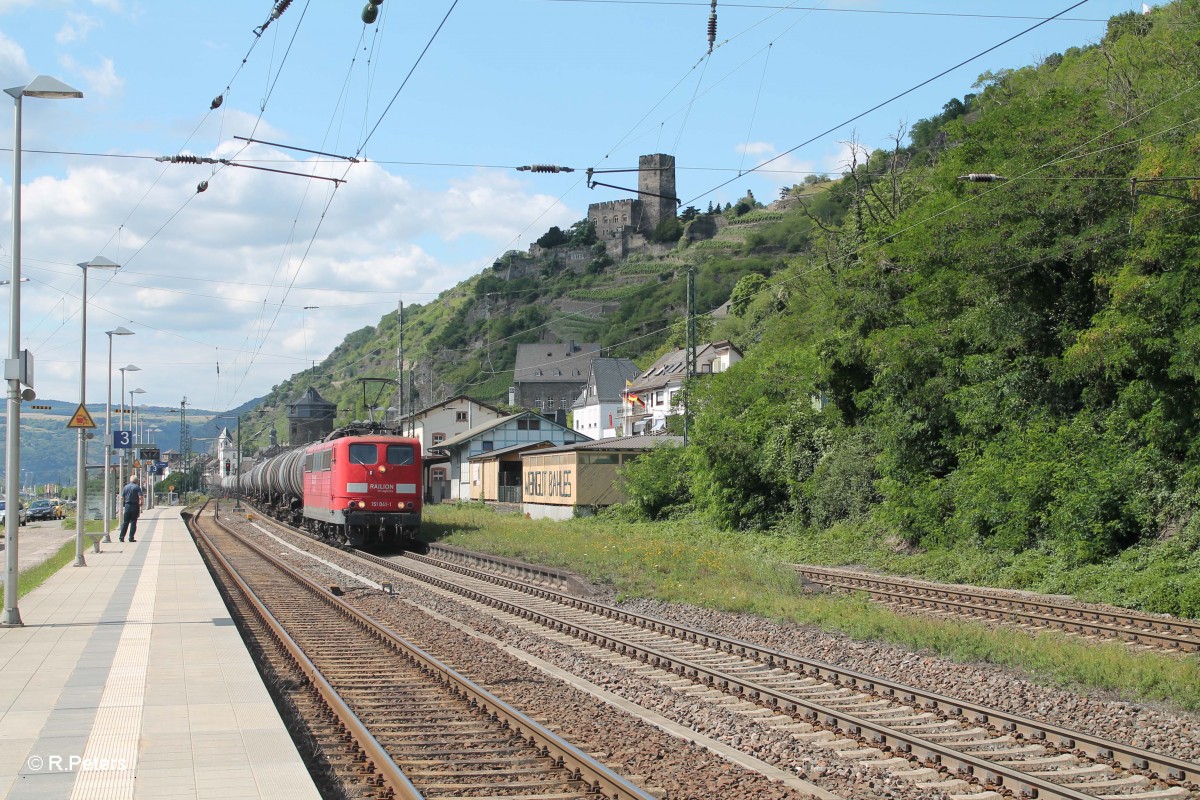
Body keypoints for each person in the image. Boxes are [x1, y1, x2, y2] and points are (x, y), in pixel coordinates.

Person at [119, 473, 143, 542]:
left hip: (127, 506)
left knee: (125, 522)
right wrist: (141, 503)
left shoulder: (126, 487)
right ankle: (131, 537)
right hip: (135, 506)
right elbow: (140, 496)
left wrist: (124, 504)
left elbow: (122, 497)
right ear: (136, 481)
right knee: (133, 522)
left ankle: (121, 537)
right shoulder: (137, 487)